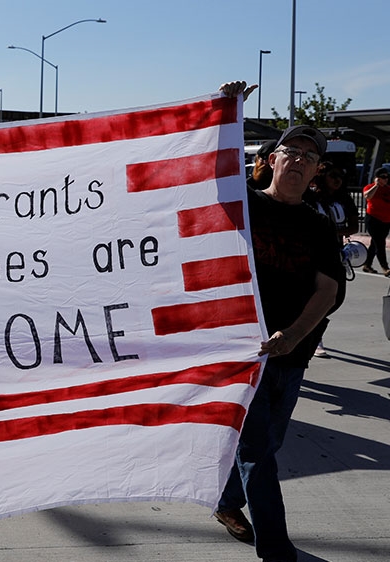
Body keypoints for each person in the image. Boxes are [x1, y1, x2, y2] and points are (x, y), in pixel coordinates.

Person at [214, 82, 343, 562]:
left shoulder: (318, 225)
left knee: (269, 442)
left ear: (315, 174)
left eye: (310, 158)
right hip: (244, 353)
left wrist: (293, 337)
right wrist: (229, 111)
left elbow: (327, 289)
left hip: (292, 354)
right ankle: (276, 547)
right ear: (272, 159)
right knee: (258, 453)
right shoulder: (242, 204)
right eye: (292, 151)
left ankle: (226, 502)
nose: (300, 161)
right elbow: (203, 171)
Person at [303, 162, 358, 357]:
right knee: (313, 295)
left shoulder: (344, 198)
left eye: (340, 177)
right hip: (311, 254)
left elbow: (353, 226)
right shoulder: (309, 196)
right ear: (322, 176)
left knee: (336, 297)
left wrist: (332, 232)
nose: (337, 180)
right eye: (333, 175)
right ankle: (314, 337)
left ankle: (312, 329)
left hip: (336, 253)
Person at [360, 168, 390, 275]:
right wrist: (376, 185)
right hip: (373, 219)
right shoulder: (369, 188)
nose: (386, 179)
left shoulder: (388, 189)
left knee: (375, 243)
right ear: (377, 178)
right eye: (383, 177)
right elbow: (367, 196)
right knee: (380, 243)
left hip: (386, 221)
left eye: (387, 177)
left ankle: (367, 264)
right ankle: (385, 267)